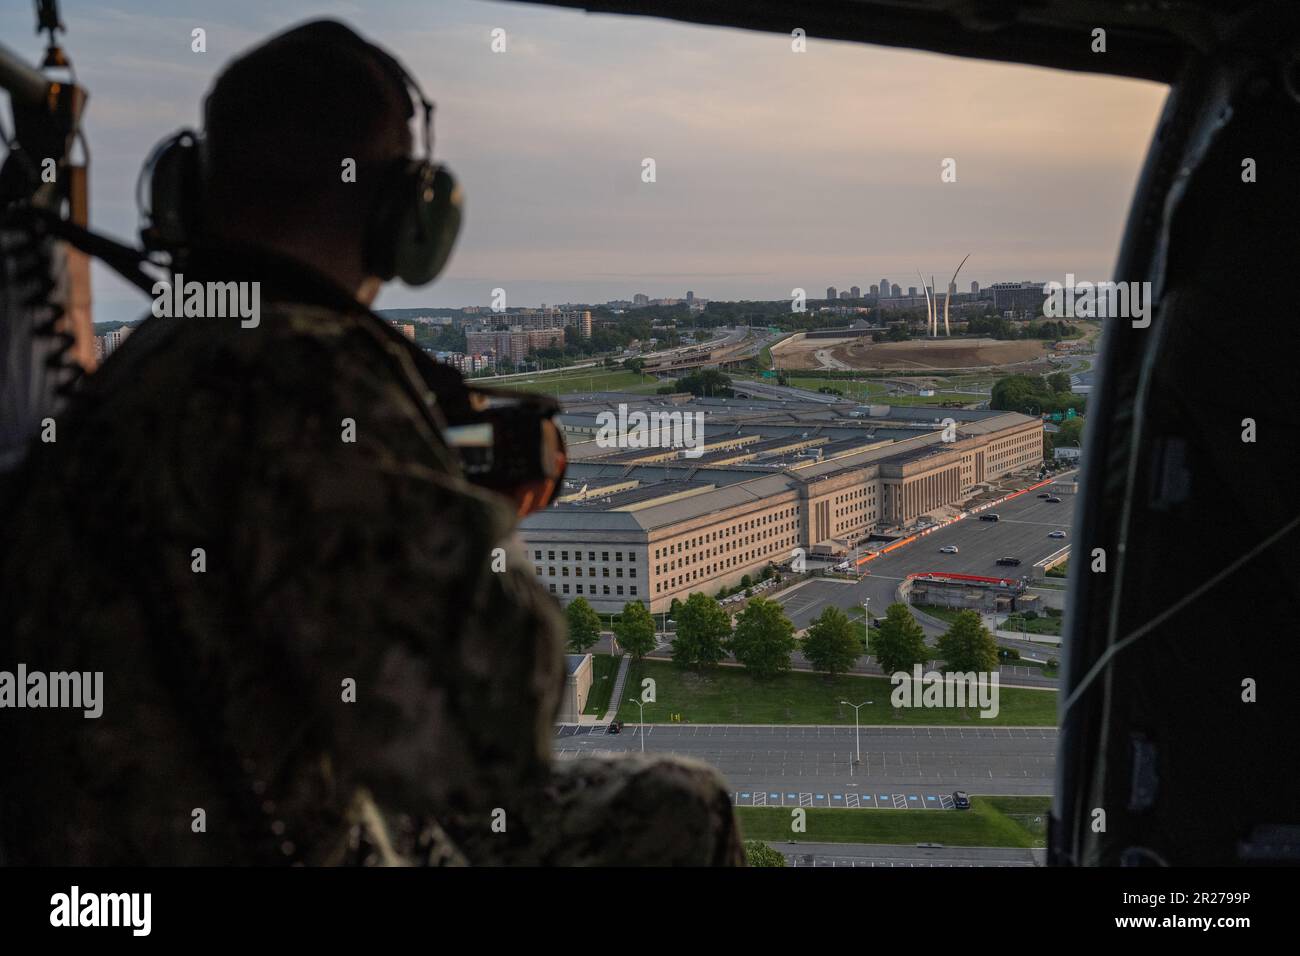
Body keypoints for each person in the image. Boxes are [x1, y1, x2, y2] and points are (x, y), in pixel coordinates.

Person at [0, 20, 741, 866]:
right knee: (679, 807)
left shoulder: (134, 371)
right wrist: (490, 524)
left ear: (190, 189)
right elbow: (491, 733)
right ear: (405, 214)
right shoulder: (310, 375)